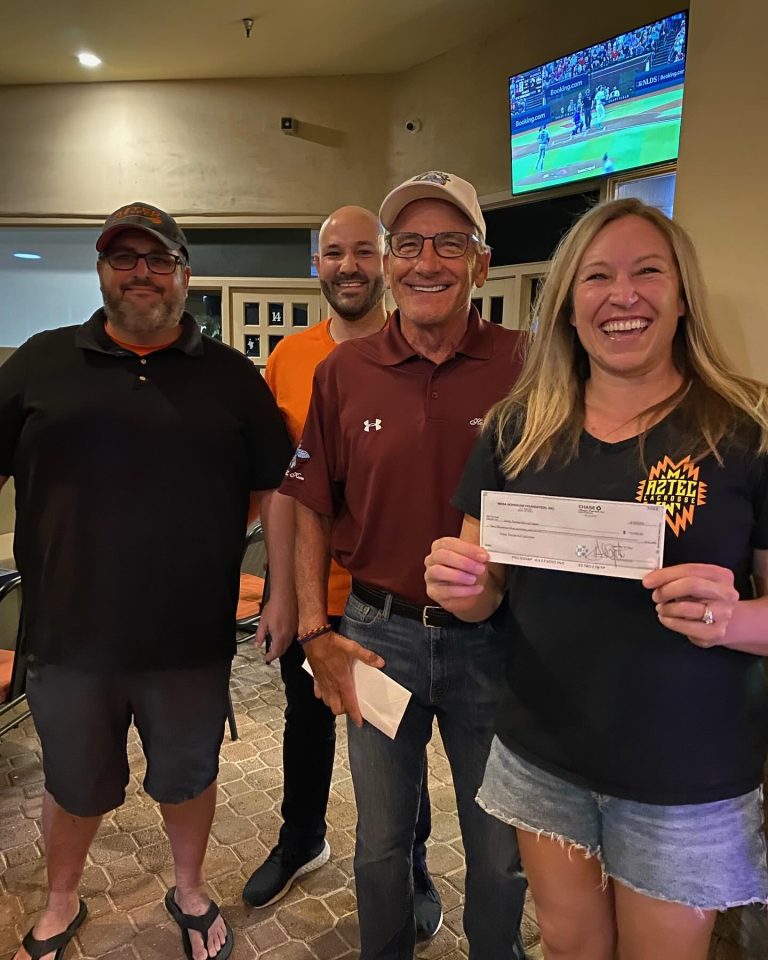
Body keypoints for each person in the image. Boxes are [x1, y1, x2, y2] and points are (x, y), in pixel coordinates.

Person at [425, 197, 768, 960]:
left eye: (648, 272)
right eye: (596, 276)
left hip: (687, 772)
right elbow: (485, 590)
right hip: (544, 752)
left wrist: (733, 619)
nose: (623, 295)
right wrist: (461, 585)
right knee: (567, 945)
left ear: (682, 297)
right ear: (568, 307)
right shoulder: (518, 426)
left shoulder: (744, 430)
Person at [1, 203, 296, 960]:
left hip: (186, 637)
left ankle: (190, 891)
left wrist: (202, 545)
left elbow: (269, 483)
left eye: (157, 259)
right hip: (67, 637)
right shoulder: (40, 361)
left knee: (187, 778)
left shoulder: (231, 377)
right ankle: (62, 897)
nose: (140, 273)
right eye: (123, 258)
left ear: (183, 273)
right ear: (102, 272)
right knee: (72, 783)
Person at [281, 171, 528, 960]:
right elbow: (314, 504)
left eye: (449, 243)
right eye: (410, 244)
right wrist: (314, 629)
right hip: (376, 637)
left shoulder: (530, 365)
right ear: (390, 265)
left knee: (499, 849)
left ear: (481, 264)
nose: (427, 261)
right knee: (382, 841)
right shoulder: (341, 374)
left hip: (495, 644)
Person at [242, 205, 443, 940]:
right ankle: (302, 840)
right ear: (317, 265)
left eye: (364, 251)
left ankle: (413, 864)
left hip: (384, 601)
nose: (349, 266)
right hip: (309, 597)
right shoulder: (290, 358)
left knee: (396, 739)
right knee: (306, 722)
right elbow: (282, 488)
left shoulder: (417, 354)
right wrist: (280, 597)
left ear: (386, 263)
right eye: (334, 253)